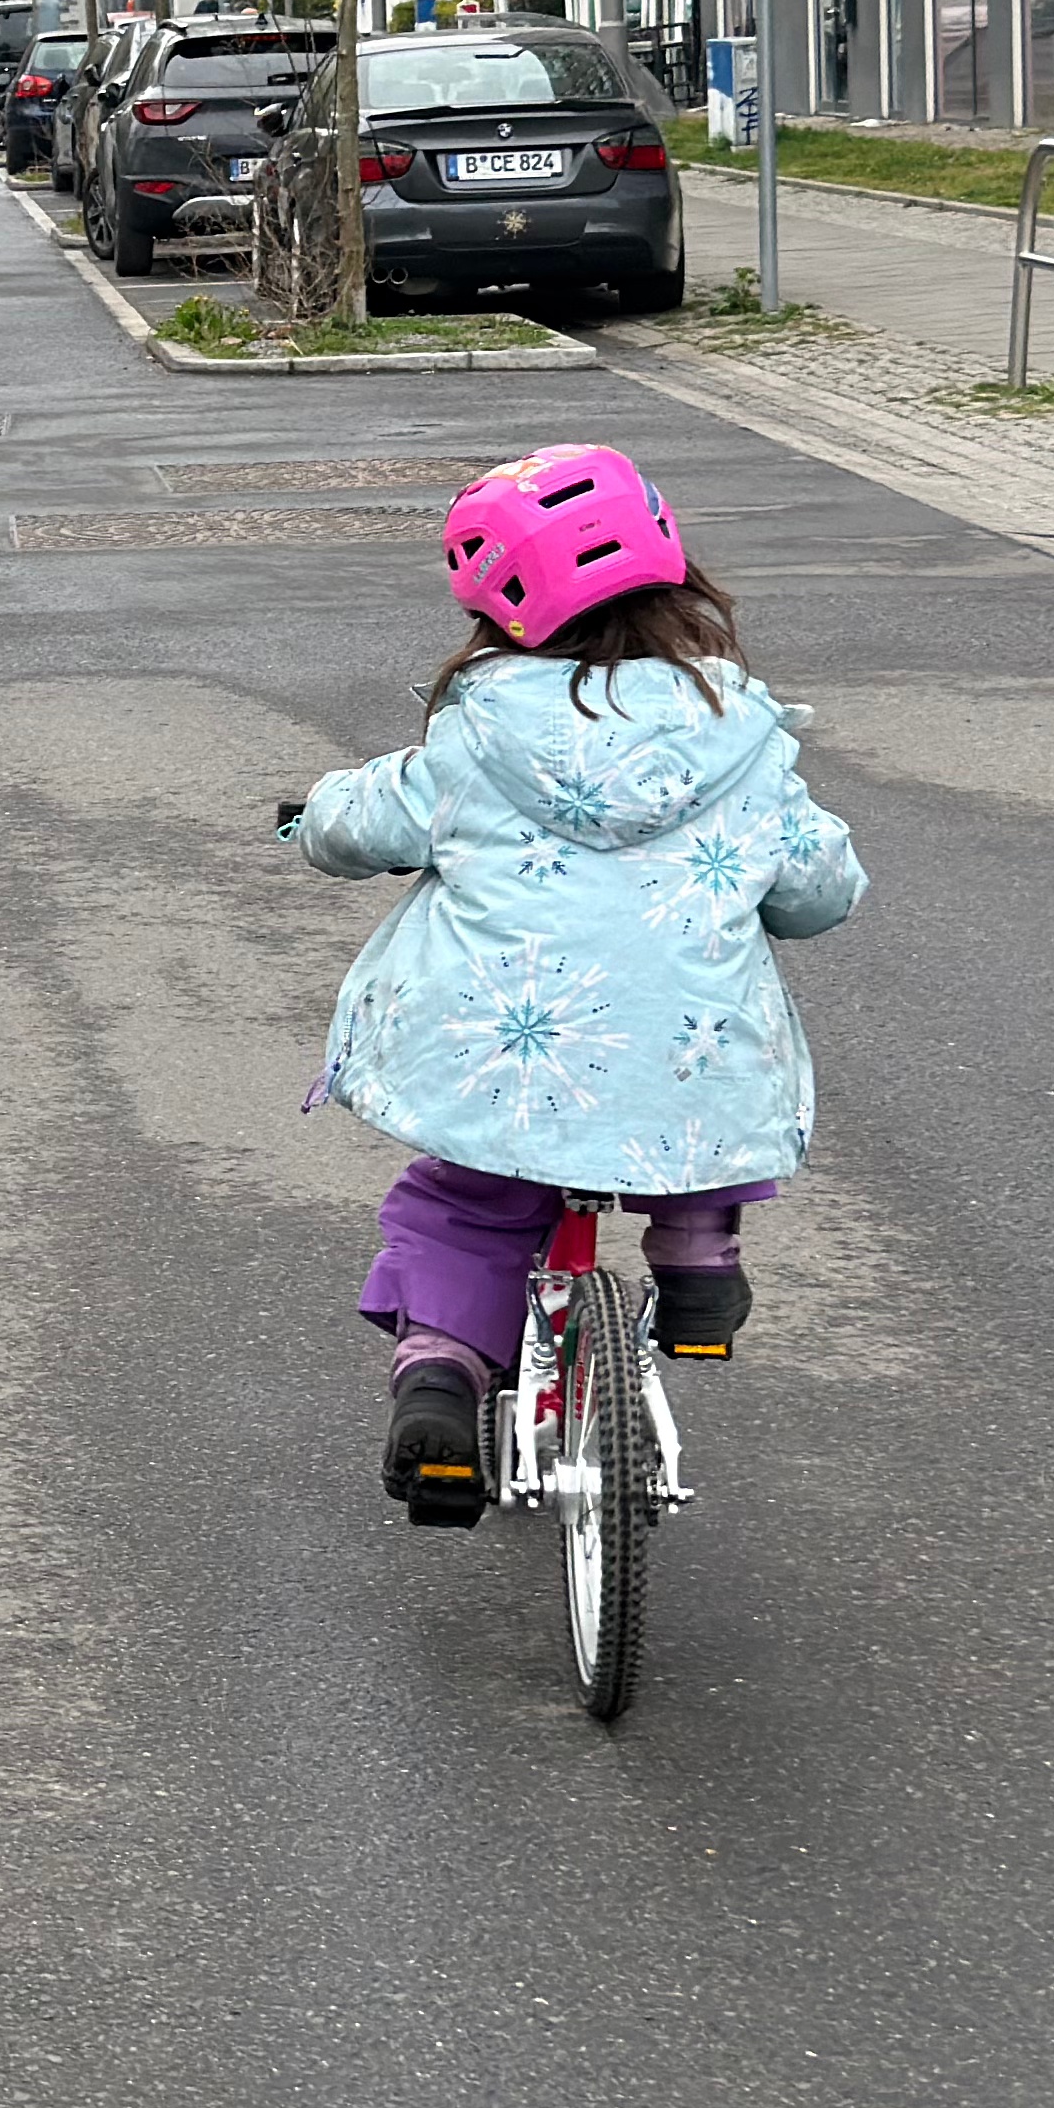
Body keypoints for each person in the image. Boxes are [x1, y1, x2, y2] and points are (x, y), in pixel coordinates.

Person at [278, 441, 868, 1524]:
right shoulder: (744, 740)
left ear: (496, 612)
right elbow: (821, 892)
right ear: (677, 580)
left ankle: (444, 1380)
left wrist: (307, 818)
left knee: (465, 1204)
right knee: (697, 1095)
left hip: (503, 1070)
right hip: (684, 1077)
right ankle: (695, 1262)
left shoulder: (474, 738)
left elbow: (360, 825)